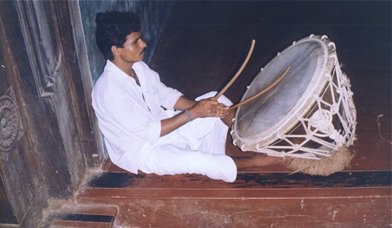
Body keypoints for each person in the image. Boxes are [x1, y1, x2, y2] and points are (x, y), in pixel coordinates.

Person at [92, 11, 284, 183]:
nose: (143, 44)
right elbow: (150, 132)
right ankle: (255, 161)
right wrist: (194, 113)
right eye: (136, 42)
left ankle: (251, 141)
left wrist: (203, 107)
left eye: (140, 38)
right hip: (143, 151)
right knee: (196, 160)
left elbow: (166, 96)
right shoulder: (109, 92)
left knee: (217, 101)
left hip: (164, 126)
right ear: (115, 49)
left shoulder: (138, 68)